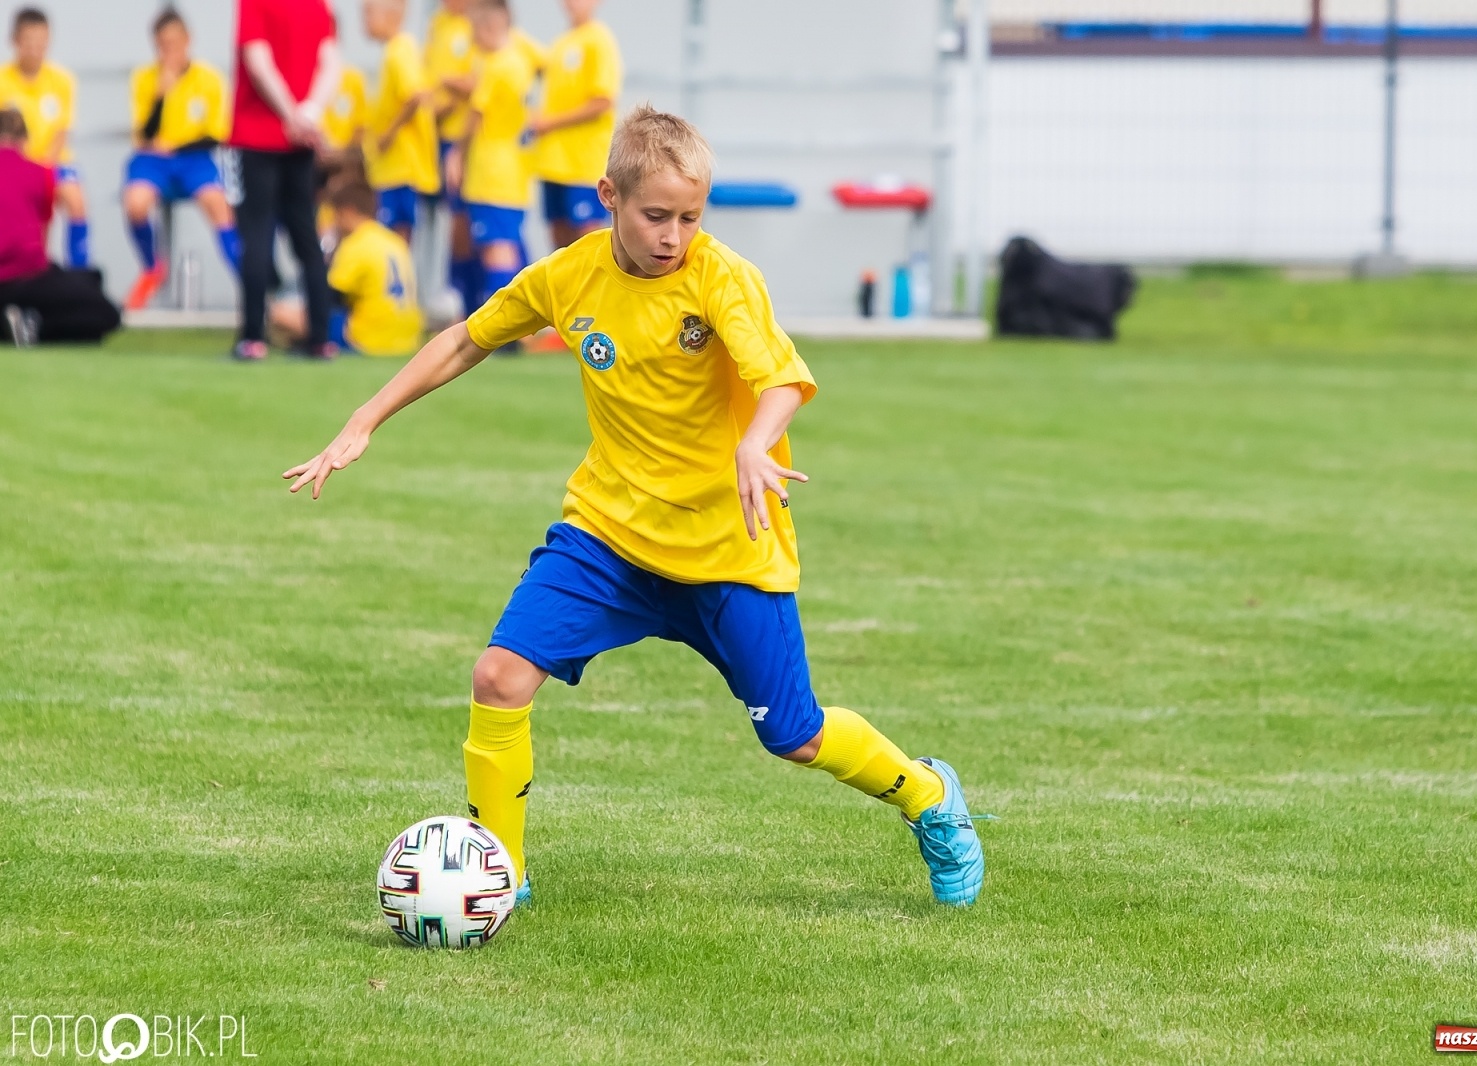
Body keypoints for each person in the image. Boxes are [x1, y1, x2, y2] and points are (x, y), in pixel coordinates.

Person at [284, 104, 988, 908]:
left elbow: (783, 378)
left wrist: (756, 441)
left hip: (728, 545)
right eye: (656, 215)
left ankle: (929, 797)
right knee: (499, 677)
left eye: (690, 217)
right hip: (607, 535)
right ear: (608, 195)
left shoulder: (720, 275)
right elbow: (466, 338)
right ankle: (500, 876)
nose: (673, 235)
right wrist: (362, 420)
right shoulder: (570, 274)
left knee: (794, 735)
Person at [230, 0, 342, 362]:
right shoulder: (317, 6)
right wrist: (310, 113)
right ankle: (321, 338)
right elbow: (331, 64)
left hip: (259, 134)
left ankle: (252, 337)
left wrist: (289, 114)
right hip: (302, 140)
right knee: (306, 238)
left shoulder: (255, 4)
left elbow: (259, 65)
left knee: (257, 235)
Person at [123, 7, 241, 310]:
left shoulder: (210, 78)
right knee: (136, 202)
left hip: (195, 159)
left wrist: (175, 148)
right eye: (162, 45)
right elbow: (144, 134)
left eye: (174, 43)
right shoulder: (145, 78)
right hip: (153, 161)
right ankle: (152, 268)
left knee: (220, 206)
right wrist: (161, 95)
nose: (169, 51)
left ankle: (247, 279)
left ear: (188, 40)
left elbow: (217, 135)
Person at [444, 0, 533, 317]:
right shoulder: (520, 61)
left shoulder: (498, 65)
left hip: (492, 171)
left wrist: (455, 154)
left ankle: (503, 327)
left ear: (488, 28)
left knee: (497, 248)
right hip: (511, 169)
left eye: (474, 31)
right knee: (504, 242)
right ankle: (505, 325)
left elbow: (475, 115)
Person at [0, 108, 119, 345]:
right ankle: (34, 328)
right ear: (24, 140)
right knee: (103, 314)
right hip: (25, 275)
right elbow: (41, 238)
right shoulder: (41, 173)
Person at [270, 182, 422, 357]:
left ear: (347, 211)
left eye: (335, 215)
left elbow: (330, 298)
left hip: (370, 337)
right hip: (408, 338)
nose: (333, 223)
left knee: (280, 314)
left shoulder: (356, 243)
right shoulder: (393, 240)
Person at [0, 8, 90, 270]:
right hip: (14, 164)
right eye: (28, 41)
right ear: (15, 40)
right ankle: (27, 268)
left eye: (40, 41)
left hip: (53, 162)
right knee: (25, 210)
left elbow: (62, 130)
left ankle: (79, 271)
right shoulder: (3, 80)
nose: (34, 48)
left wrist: (41, 168)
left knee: (75, 199)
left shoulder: (62, 80)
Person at [527, 0, 621, 250]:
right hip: (553, 162)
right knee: (560, 248)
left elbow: (603, 100)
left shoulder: (599, 40)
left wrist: (548, 122)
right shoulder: (561, 44)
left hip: (584, 163)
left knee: (589, 243)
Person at [363, 0, 439, 244]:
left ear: (391, 13)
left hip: (401, 167)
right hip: (391, 168)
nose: (363, 20)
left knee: (397, 239)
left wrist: (388, 134)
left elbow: (416, 95)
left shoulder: (400, 49)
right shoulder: (393, 51)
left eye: (368, 12)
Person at [423, 0, 478, 316]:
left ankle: (467, 298)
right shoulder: (437, 24)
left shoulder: (475, 26)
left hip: (462, 140)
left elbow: (478, 81)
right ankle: (438, 296)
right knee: (435, 220)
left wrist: (448, 86)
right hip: (433, 137)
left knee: (464, 222)